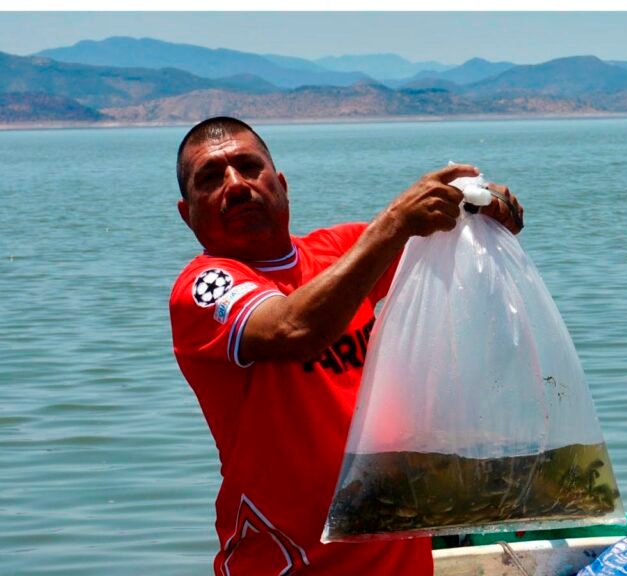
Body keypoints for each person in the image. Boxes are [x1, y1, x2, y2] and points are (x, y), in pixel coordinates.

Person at [169, 116, 524, 575]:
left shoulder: (340, 251)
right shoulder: (202, 288)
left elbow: (454, 252)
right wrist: (396, 221)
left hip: (398, 555)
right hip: (295, 562)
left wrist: (482, 212)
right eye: (211, 178)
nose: (235, 185)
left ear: (280, 185)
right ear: (187, 213)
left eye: (247, 167)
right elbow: (293, 330)